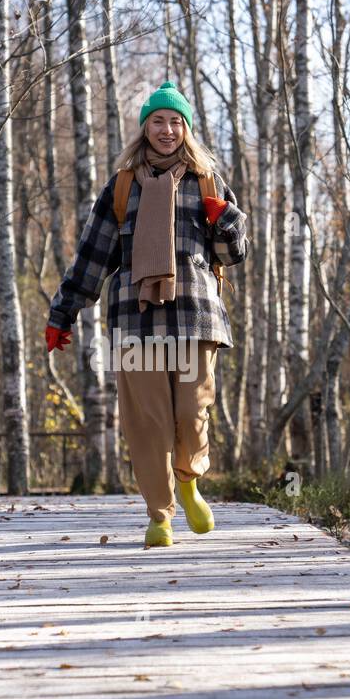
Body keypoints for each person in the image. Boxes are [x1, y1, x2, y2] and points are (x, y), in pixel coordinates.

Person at [44, 81, 249, 547]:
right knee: (146, 422)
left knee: (192, 410)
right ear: (144, 128)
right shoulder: (121, 186)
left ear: (187, 130)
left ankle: (190, 482)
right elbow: (93, 257)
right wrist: (64, 313)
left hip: (196, 317)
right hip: (135, 320)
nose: (167, 129)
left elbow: (233, 255)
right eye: (158, 120)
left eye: (176, 122)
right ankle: (159, 516)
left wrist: (227, 221)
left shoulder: (208, 181)